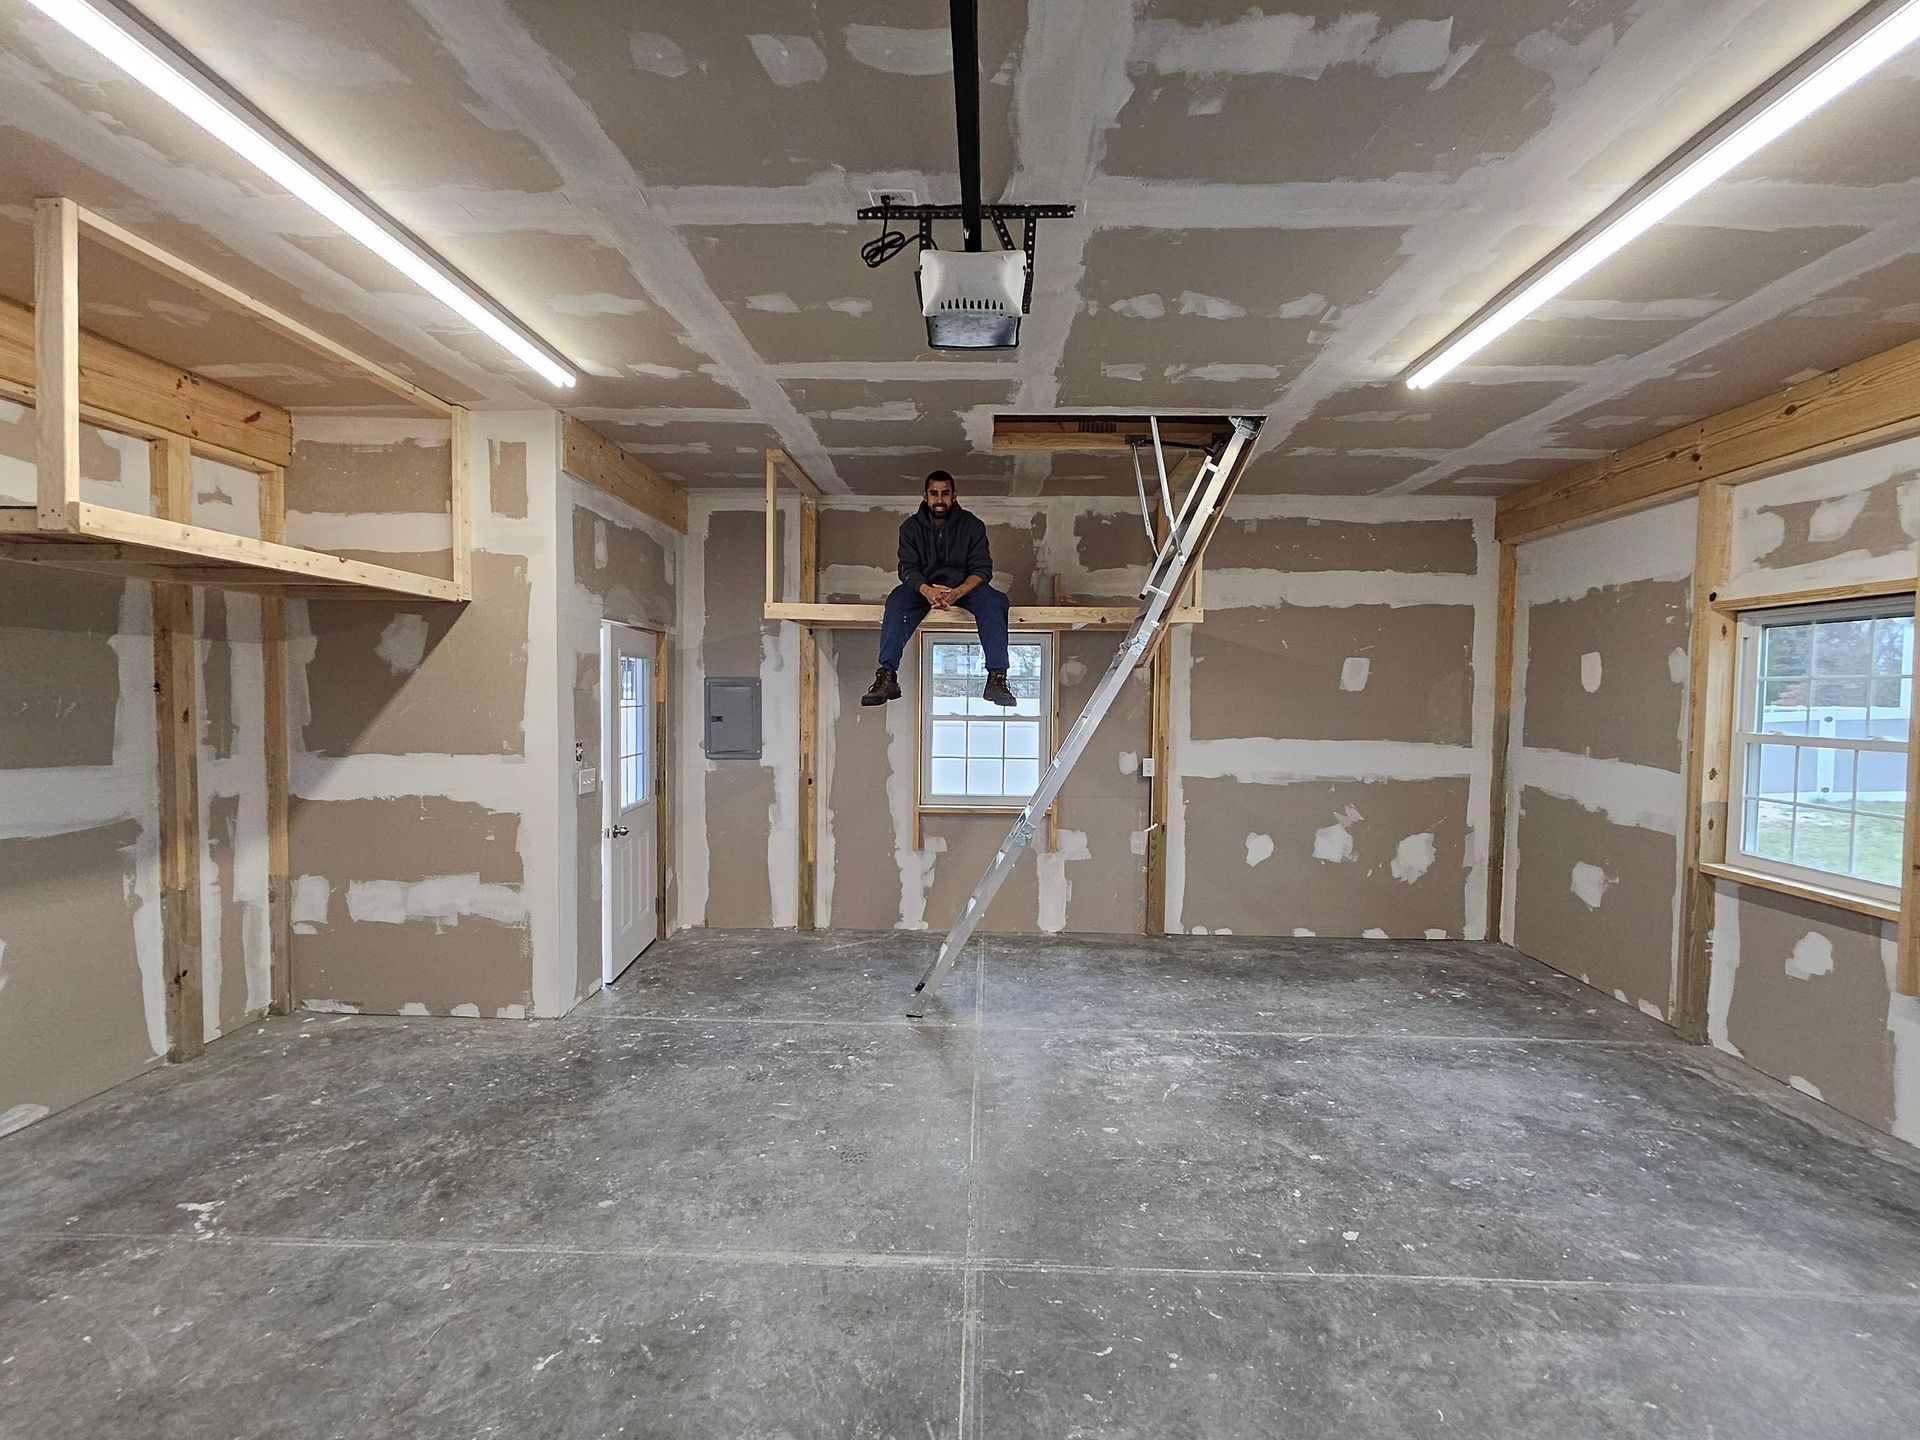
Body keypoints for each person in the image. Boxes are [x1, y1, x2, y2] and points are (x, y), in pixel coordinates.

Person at [862, 469, 1015, 708]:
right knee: (896, 600)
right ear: (925, 496)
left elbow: (982, 570)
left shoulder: (973, 526)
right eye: (934, 494)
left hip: (965, 589)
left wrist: (956, 593)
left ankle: (997, 678)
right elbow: (907, 569)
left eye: (945, 493)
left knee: (996, 601)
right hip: (922, 589)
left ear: (954, 496)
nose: (939, 499)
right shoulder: (910, 528)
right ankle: (887, 675)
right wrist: (928, 591)